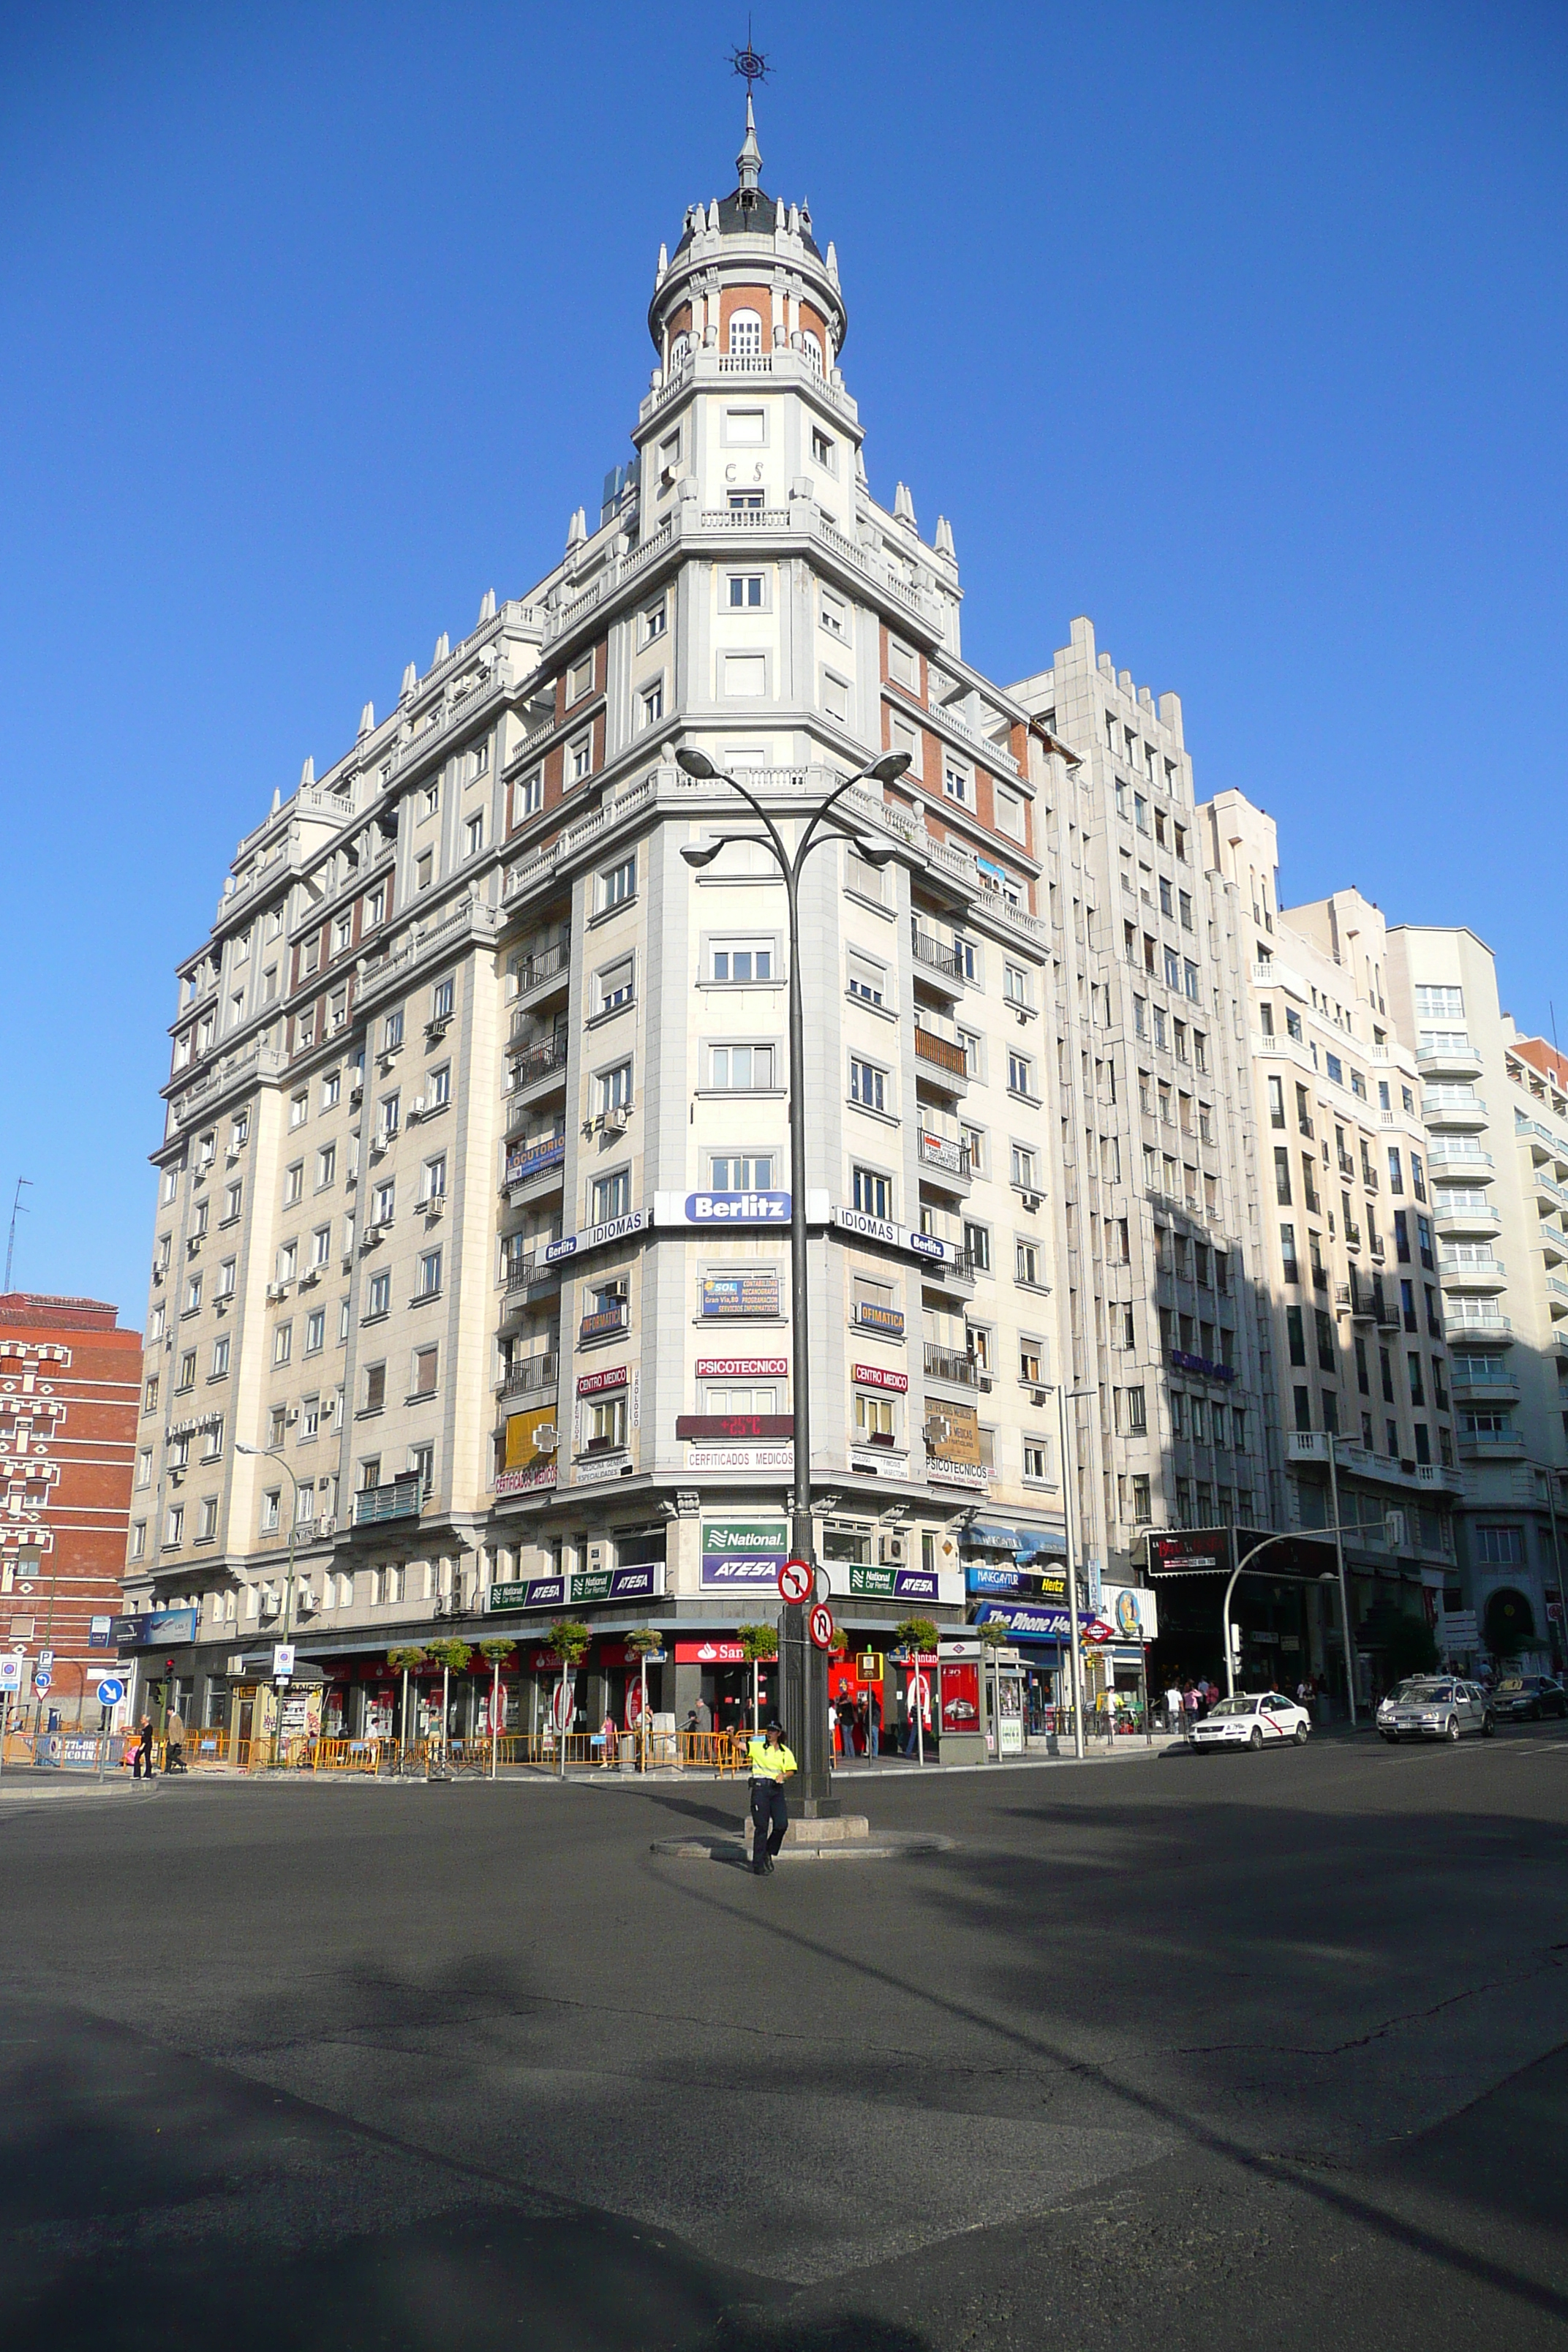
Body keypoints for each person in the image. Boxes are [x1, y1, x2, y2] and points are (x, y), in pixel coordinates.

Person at [745, 1717, 796, 1874]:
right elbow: (739, 1745)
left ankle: (768, 1850)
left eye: (773, 1731)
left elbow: (791, 1769)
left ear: (779, 1734)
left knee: (781, 1824)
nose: (770, 1733)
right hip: (760, 1789)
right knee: (761, 1827)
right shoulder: (758, 1747)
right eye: (768, 1730)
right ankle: (758, 1864)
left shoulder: (784, 1752)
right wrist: (731, 1735)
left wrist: (784, 1776)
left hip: (776, 1790)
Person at [163, 1707, 187, 1774]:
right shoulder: (171, 1718)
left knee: (169, 1754)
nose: (167, 1713)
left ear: (172, 1711)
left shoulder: (177, 1718)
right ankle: (167, 1770)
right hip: (171, 1739)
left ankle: (182, 1763)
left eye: (168, 1711)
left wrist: (181, 1740)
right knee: (168, 1755)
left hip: (175, 1740)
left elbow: (181, 1729)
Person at [132, 1716, 154, 1780]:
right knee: (136, 1757)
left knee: (147, 1758)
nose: (141, 1720)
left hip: (147, 1745)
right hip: (142, 1744)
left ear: (146, 1720)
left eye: (142, 1719)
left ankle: (148, 1775)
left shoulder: (149, 1728)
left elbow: (147, 1737)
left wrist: (143, 1745)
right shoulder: (144, 1728)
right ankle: (137, 1774)